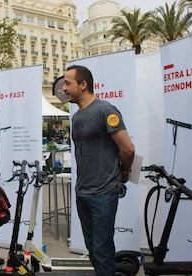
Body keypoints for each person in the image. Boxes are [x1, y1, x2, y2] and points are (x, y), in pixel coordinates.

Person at [62, 65, 135, 276]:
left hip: (103, 193)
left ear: (83, 85)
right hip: (82, 191)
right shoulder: (76, 117)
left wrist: (124, 173)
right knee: (93, 247)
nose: (64, 88)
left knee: (102, 249)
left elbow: (128, 149)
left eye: (68, 83)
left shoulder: (106, 110)